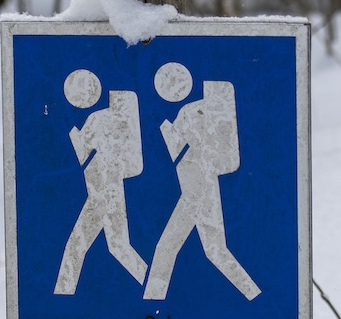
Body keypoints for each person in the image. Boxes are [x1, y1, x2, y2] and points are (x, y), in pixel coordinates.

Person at [144, 79, 260, 301]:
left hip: (201, 188)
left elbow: (226, 159)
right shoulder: (188, 111)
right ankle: (151, 302)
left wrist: (186, 142)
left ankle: (255, 297)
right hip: (191, 187)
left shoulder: (206, 113)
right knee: (185, 248)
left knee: (207, 251)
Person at [55, 70, 148, 293]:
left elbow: (82, 153)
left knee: (81, 246)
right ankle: (153, 286)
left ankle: (62, 299)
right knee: (117, 247)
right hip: (106, 187)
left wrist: (69, 129)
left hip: (103, 189)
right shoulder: (124, 124)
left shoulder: (99, 119)